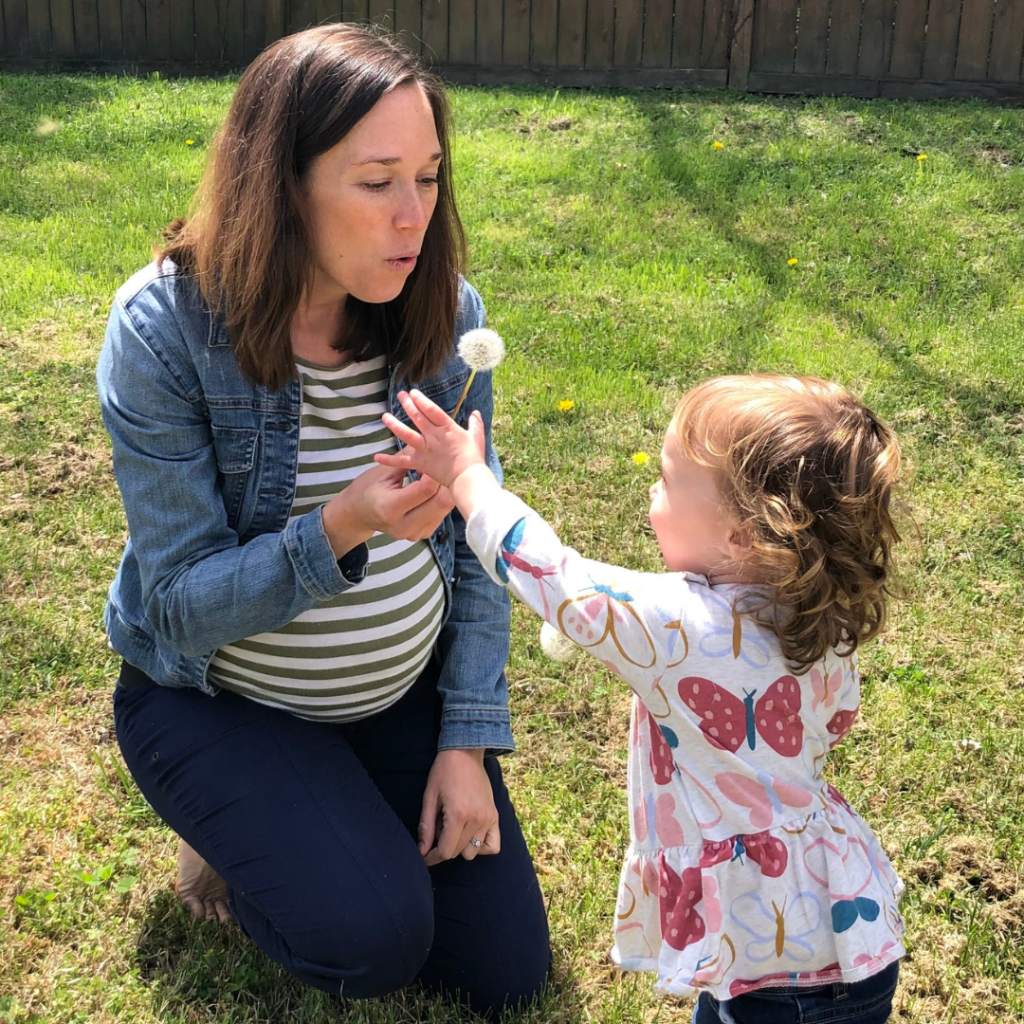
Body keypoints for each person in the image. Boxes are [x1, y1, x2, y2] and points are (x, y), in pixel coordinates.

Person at [95, 23, 549, 1016]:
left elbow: (478, 551)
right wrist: (338, 527)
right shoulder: (165, 331)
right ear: (283, 184)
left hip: (398, 702)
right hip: (220, 701)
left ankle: (331, 809)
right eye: (376, 180)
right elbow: (177, 608)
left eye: (428, 178)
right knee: (371, 939)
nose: (413, 217)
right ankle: (233, 829)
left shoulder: (441, 316)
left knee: (505, 969)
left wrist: (464, 744)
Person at [376, 375, 906, 1024]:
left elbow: (555, 578)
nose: (652, 492)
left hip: (776, 972)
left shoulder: (684, 627)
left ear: (741, 536)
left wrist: (468, 476)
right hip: (845, 926)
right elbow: (838, 719)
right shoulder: (818, 616)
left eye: (666, 479)